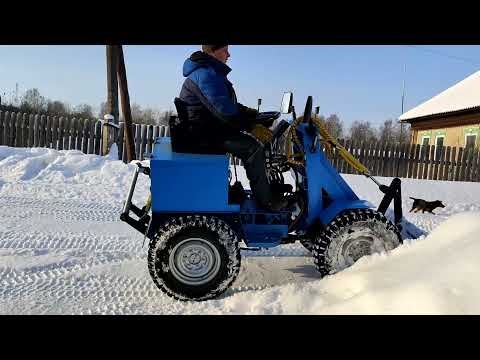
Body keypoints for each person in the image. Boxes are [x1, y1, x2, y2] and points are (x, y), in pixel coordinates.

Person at [176, 45, 287, 211]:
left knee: (251, 145)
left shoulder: (207, 71)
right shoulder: (205, 74)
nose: (229, 54)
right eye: (224, 49)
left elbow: (226, 104)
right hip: (205, 135)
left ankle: (265, 192)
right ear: (211, 51)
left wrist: (250, 114)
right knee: (253, 148)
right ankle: (267, 202)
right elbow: (226, 112)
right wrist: (251, 126)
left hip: (207, 129)